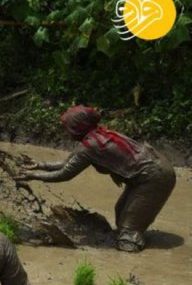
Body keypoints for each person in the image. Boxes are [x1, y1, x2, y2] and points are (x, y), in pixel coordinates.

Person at [17, 105, 176, 252]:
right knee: (121, 212)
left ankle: (130, 261)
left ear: (75, 127)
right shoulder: (97, 135)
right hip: (152, 169)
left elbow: (64, 174)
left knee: (128, 234)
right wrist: (39, 165)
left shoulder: (91, 146)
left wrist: (33, 176)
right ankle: (136, 233)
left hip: (154, 177)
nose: (65, 132)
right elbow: (67, 163)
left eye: (66, 128)